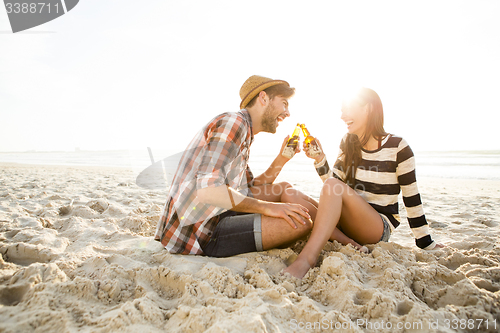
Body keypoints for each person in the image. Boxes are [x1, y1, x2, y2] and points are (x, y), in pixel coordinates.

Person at [284, 87, 444, 279]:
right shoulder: (348, 142)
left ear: (368, 108)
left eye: (347, 109)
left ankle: (306, 259)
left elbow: (411, 197)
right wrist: (319, 159)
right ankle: (350, 243)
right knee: (289, 193)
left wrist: (424, 241)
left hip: (376, 227)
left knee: (332, 188)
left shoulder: (398, 147)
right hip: (347, 221)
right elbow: (333, 186)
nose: (342, 116)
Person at [154, 75, 317, 257]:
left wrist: (282, 159)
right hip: (202, 232)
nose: (287, 113)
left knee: (285, 188)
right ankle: (336, 226)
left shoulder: (244, 131)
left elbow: (251, 187)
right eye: (284, 103)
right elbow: (209, 191)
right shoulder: (234, 123)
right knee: (301, 222)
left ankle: (333, 223)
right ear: (263, 98)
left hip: (218, 214)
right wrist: (268, 207)